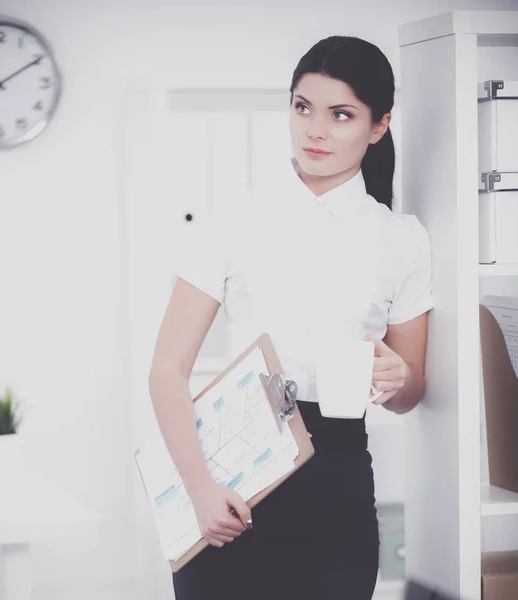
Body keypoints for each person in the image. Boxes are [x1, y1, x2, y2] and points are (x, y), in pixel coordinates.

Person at [149, 35, 433, 600]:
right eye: (303, 107)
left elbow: (411, 391)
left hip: (339, 483)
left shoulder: (402, 239)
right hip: (232, 484)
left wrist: (401, 380)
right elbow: (166, 370)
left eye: (341, 114)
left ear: (379, 127)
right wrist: (202, 491)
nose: (315, 130)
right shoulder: (232, 220)